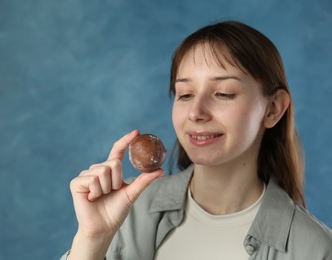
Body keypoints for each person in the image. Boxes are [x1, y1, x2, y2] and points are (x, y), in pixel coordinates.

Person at [61, 20, 332, 260]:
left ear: (273, 109)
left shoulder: (316, 249)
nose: (195, 112)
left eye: (224, 93)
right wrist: (92, 241)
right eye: (185, 94)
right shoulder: (126, 209)